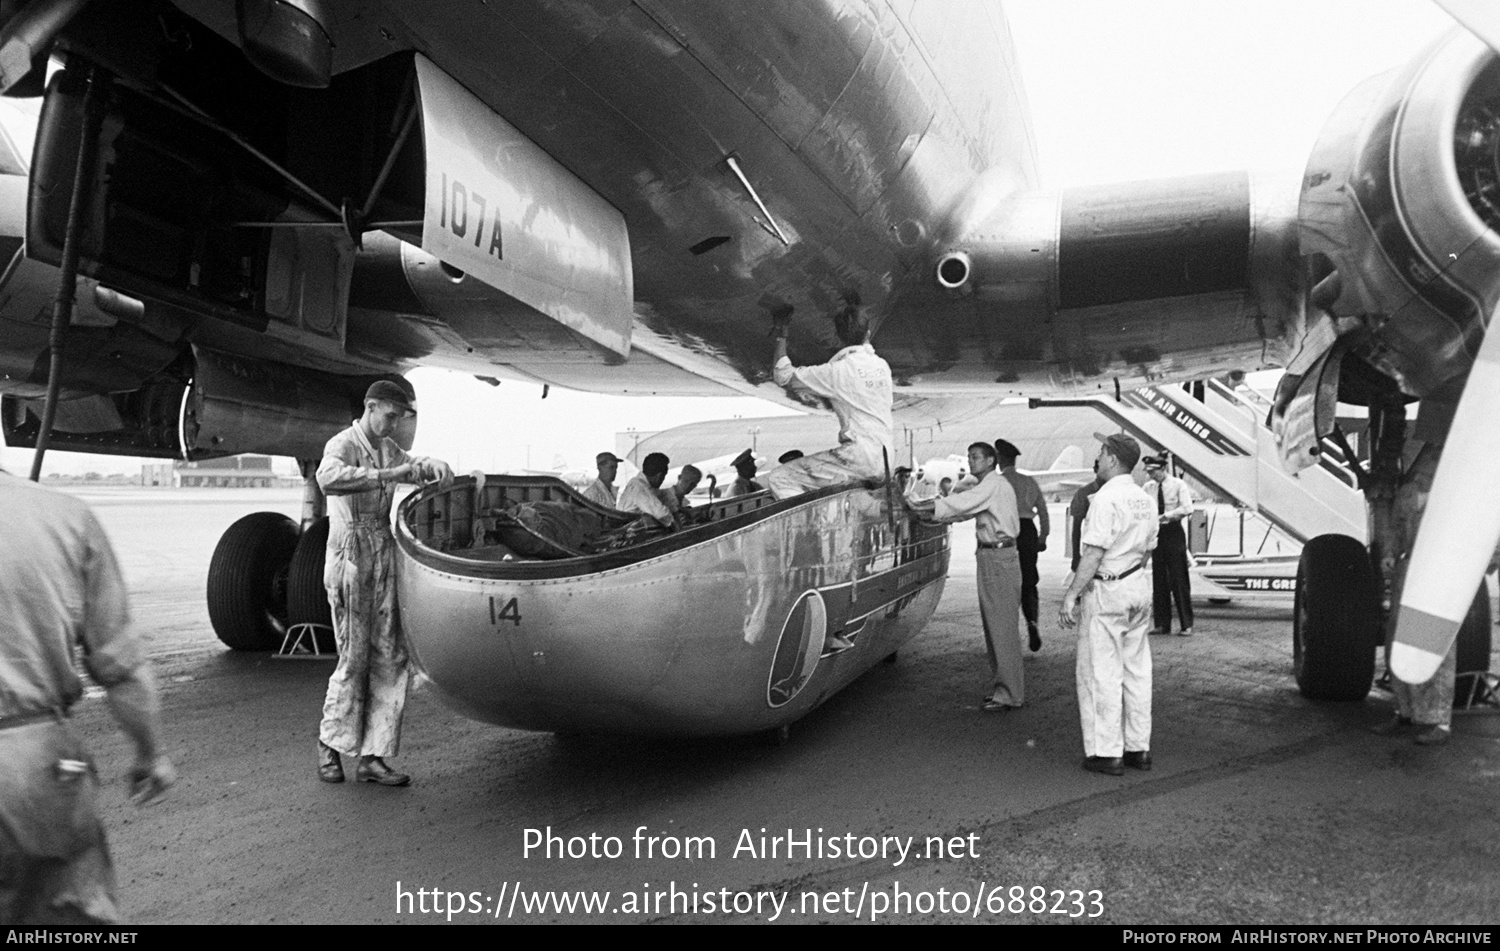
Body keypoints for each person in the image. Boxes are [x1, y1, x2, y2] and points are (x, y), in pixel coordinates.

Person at [0, 468, 176, 924]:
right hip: (33, 766)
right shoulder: (66, 517)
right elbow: (121, 667)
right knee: (67, 918)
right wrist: (151, 754)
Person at [317, 380, 453, 787]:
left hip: (381, 546)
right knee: (353, 656)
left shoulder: (389, 447)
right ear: (371, 406)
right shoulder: (343, 443)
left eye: (399, 417)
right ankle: (329, 744)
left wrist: (432, 465)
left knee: (391, 655)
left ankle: (373, 757)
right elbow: (328, 478)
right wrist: (389, 474)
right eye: (390, 415)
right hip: (350, 553)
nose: (394, 424)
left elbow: (412, 463)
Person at [1059, 433, 1158, 777]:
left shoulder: (1103, 499)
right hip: (1137, 588)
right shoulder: (1145, 499)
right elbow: (1148, 548)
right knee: (1137, 671)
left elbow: (1093, 553)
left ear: (1113, 459)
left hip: (1109, 591)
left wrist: (1072, 594)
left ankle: (1106, 752)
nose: (1097, 459)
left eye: (1101, 452)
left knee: (1100, 672)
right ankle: (1138, 748)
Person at [908, 442, 1024, 711]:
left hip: (998, 558)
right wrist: (933, 515)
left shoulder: (991, 485)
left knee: (1002, 626)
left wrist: (921, 508)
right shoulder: (988, 486)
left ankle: (1010, 693)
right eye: (970, 457)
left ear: (990, 460)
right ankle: (1004, 688)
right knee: (996, 624)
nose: (971, 462)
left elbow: (961, 504)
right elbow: (965, 512)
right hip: (992, 556)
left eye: (976, 457)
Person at [767, 302, 894, 498]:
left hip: (858, 456)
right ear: (868, 334)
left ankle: (809, 527)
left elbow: (783, 375)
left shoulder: (837, 372)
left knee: (780, 478)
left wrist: (781, 334)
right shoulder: (882, 366)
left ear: (838, 336)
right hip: (886, 458)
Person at [996, 439, 1050, 653]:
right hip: (1028, 531)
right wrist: (1043, 537)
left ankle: (1007, 635)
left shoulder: (998, 482)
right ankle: (1032, 623)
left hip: (1006, 531)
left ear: (1000, 459)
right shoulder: (1029, 481)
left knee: (1006, 583)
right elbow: (1043, 511)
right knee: (1028, 580)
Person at [1144, 454, 1195, 636]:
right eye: (1149, 472)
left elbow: (1188, 508)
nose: (1151, 475)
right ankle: (1161, 624)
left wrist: (1166, 516)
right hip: (1157, 534)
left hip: (1173, 532)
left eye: (1154, 471)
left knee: (1179, 579)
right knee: (1159, 580)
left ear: (1163, 469)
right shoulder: (1148, 487)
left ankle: (1186, 624)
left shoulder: (1178, 485)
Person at [617, 452, 676, 527]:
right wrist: (676, 525)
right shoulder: (638, 486)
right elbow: (661, 514)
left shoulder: (643, 485)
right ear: (659, 476)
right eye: (664, 477)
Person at [1069, 471, 1105, 573]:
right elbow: (1076, 527)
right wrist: (1075, 555)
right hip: (1092, 548)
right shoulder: (1084, 493)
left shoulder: (1119, 492)